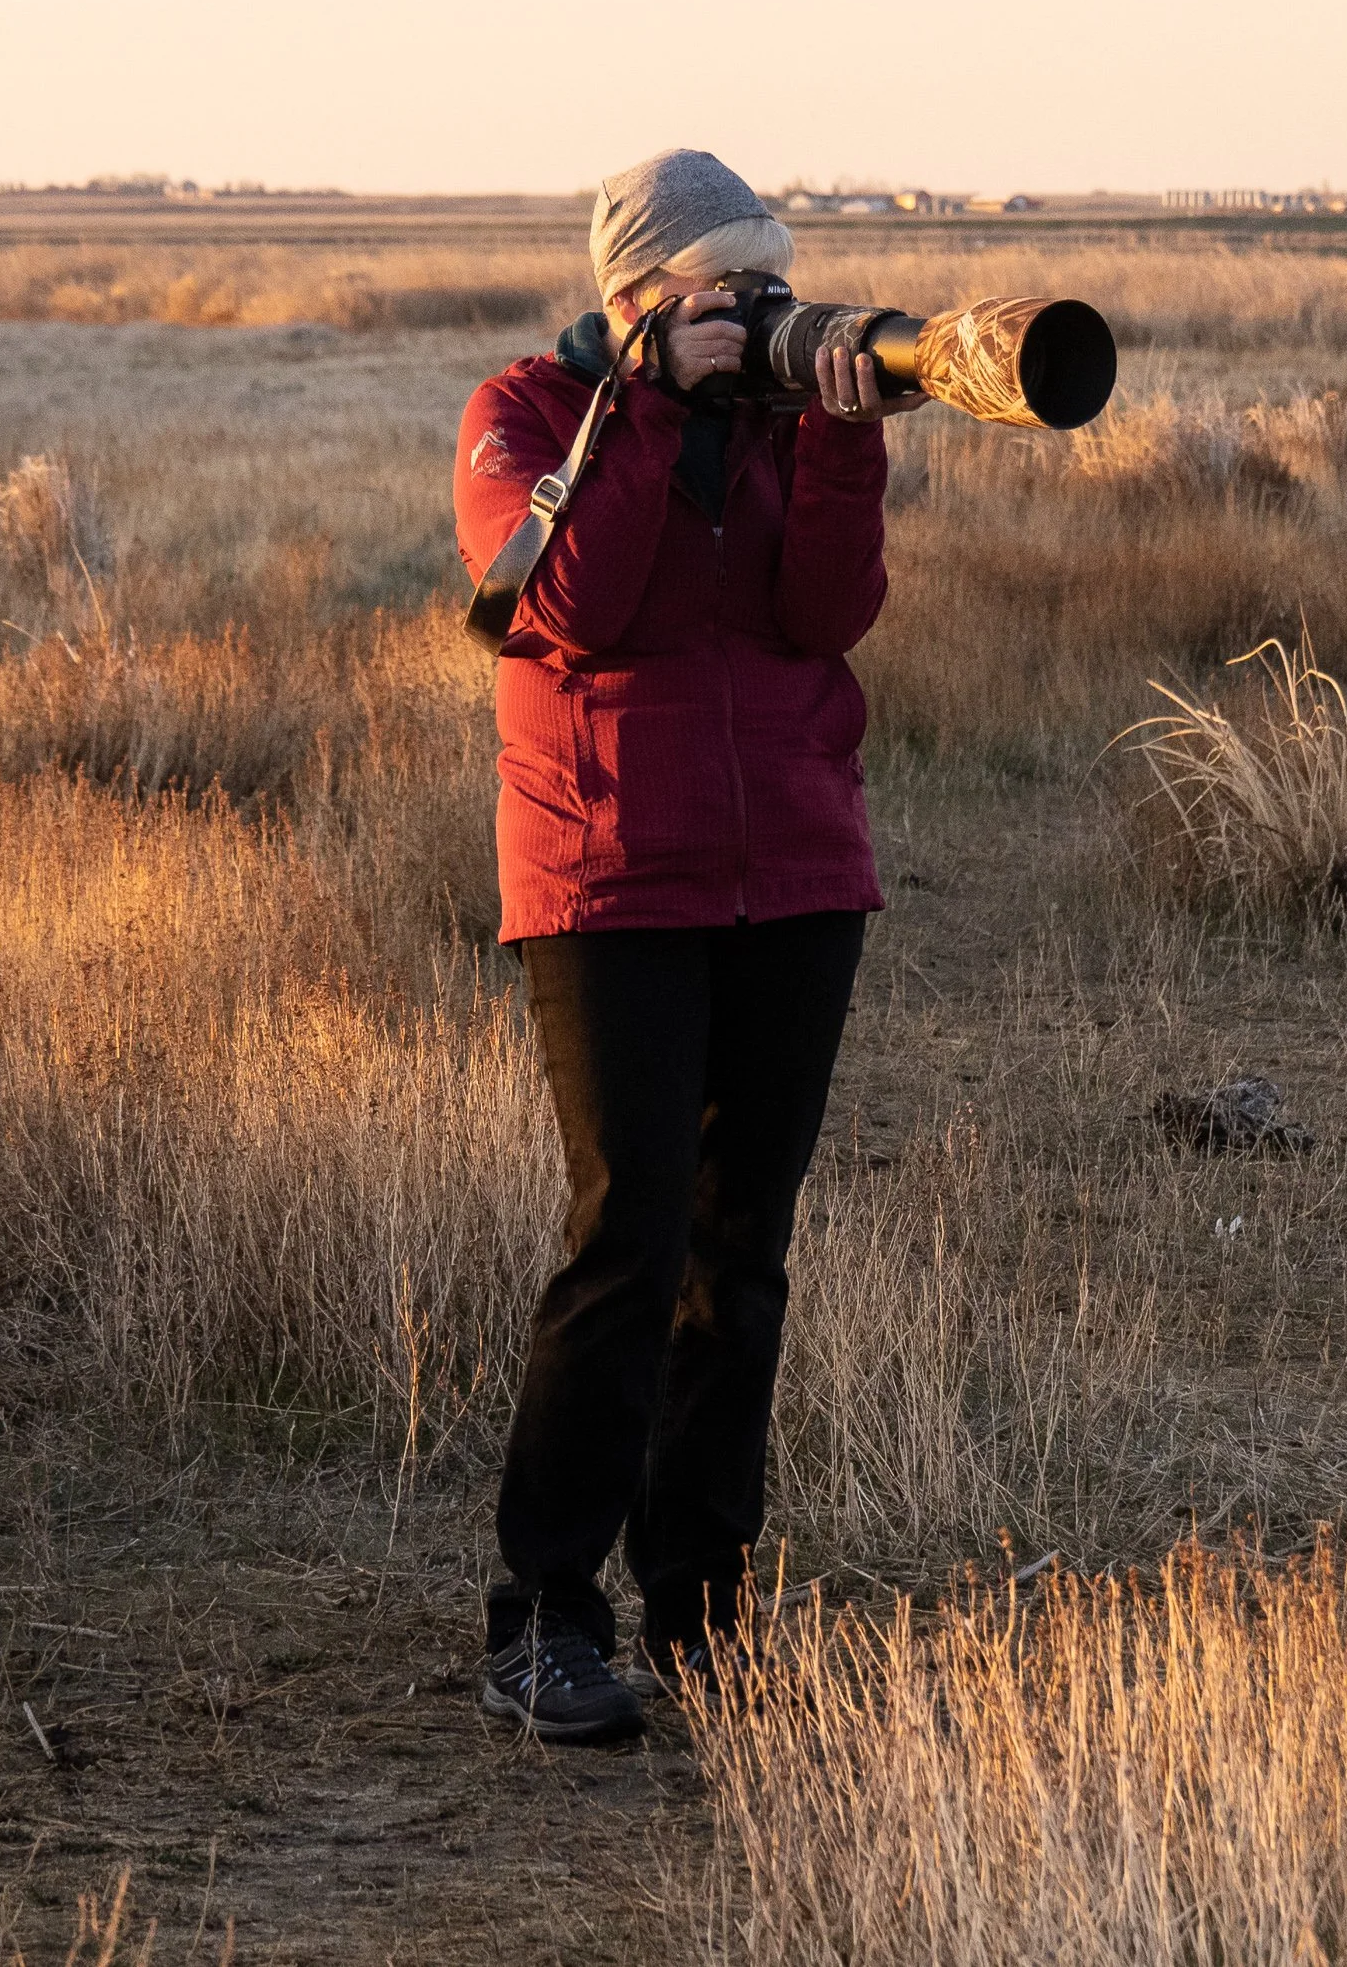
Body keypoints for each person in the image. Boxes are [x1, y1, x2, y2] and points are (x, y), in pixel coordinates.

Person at [452, 148, 920, 1742]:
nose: (761, 314)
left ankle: (709, 1616)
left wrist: (843, 434)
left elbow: (826, 614)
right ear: (645, 294)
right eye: (733, 289)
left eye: (772, 283)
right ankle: (545, 1620)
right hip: (608, 877)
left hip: (792, 870)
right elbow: (575, 603)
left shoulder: (782, 423)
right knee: (627, 1243)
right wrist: (646, 404)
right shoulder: (521, 415)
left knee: (742, 1259)